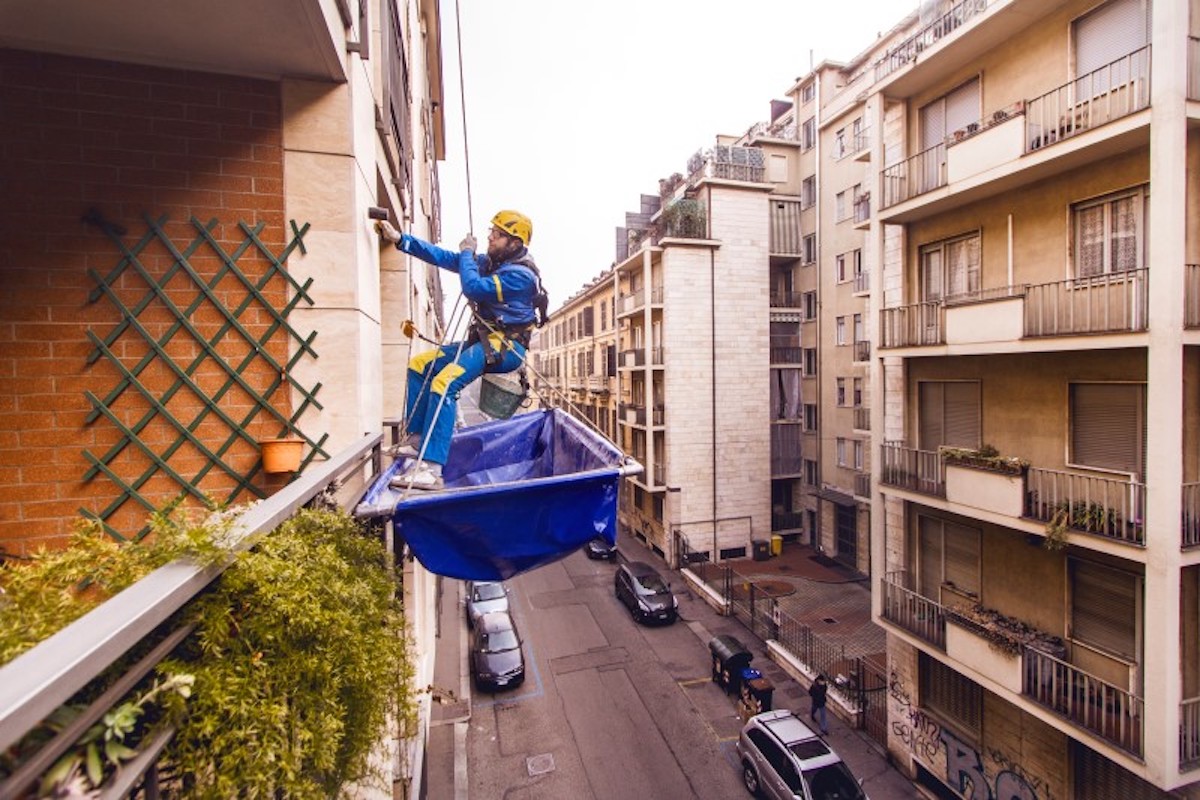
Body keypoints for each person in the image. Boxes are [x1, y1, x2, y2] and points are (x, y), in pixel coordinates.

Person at [376, 210, 546, 490]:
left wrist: (468, 253)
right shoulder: (496, 263)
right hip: (486, 341)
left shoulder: (520, 276)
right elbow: (447, 259)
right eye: (492, 230)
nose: (490, 236)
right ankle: (418, 439)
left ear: (515, 242)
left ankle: (431, 470)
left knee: (444, 383)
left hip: (506, 348)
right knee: (420, 366)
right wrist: (401, 240)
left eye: (498, 233)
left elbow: (473, 288)